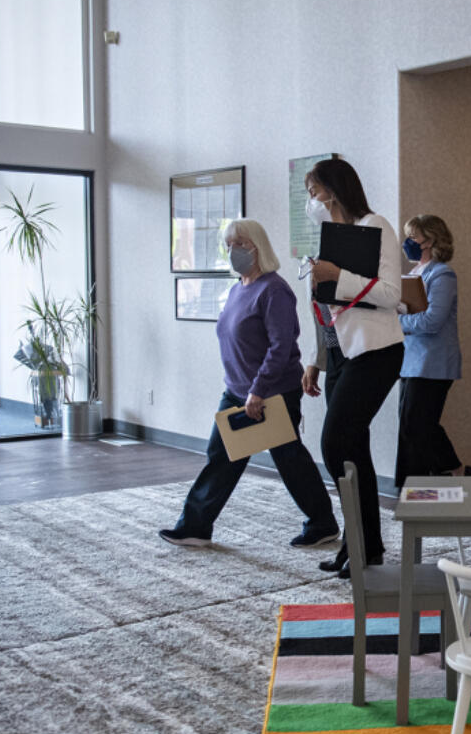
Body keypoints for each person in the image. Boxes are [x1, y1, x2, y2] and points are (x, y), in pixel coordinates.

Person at [160, 219, 337, 547]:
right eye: (228, 245)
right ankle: (195, 525)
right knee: (223, 455)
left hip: (271, 392)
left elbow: (281, 346)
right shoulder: (238, 288)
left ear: (258, 247)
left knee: (288, 458)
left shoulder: (274, 290)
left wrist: (258, 390)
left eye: (240, 244)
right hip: (238, 389)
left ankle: (322, 523)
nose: (233, 251)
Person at [303, 158, 404, 578]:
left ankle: (360, 542)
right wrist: (316, 360)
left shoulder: (375, 224)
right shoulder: (332, 239)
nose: (311, 201)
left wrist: (336, 275)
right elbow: (328, 312)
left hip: (377, 350)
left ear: (334, 190)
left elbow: (392, 293)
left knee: (334, 442)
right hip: (343, 353)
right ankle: (363, 545)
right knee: (353, 449)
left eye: (313, 192)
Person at [395, 214, 464, 487]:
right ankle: (439, 477)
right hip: (411, 361)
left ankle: (437, 478)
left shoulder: (443, 274)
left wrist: (396, 321)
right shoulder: (412, 275)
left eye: (413, 236)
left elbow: (432, 321)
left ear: (430, 239)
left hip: (434, 363)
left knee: (417, 425)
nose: (408, 242)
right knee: (414, 424)